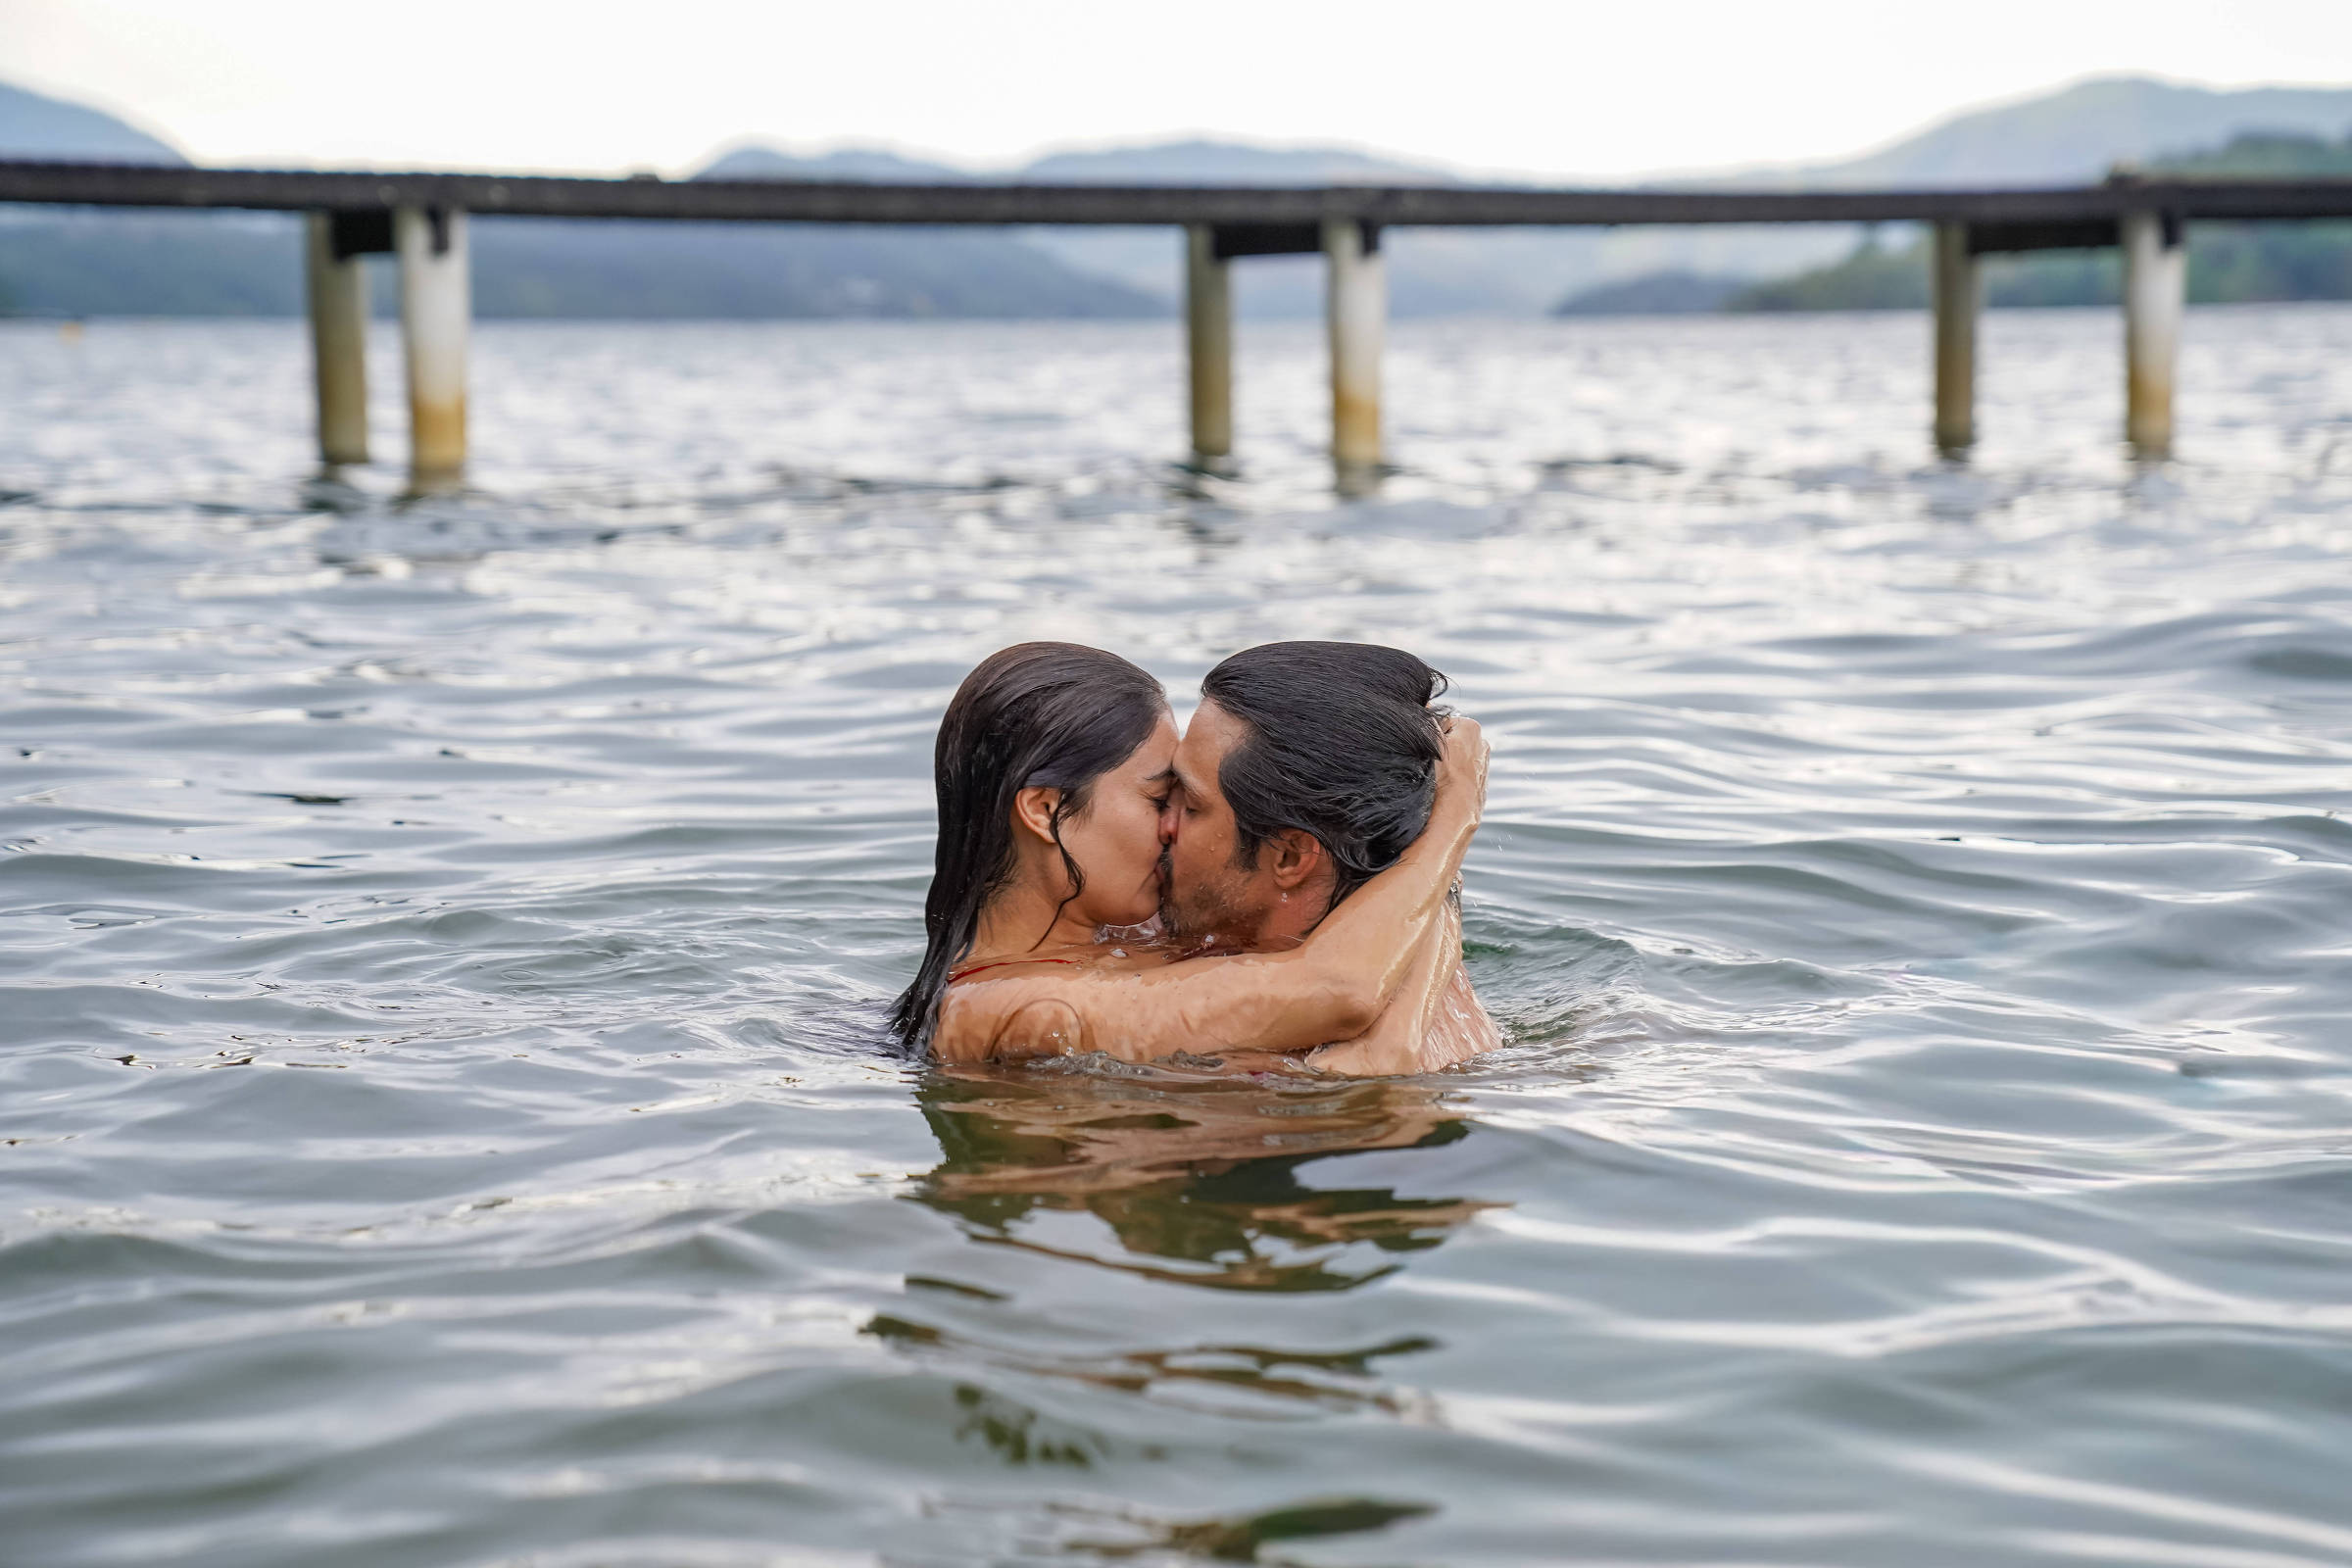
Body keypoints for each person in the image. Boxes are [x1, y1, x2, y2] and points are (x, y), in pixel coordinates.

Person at [891, 641, 1487, 1070]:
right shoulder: (1002, 1009)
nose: (1172, 827)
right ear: (1046, 811)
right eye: (1159, 797)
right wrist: (1453, 818)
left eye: (1185, 800)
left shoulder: (1139, 935)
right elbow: (1341, 994)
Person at [1159, 642, 1500, 1075]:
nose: (1160, 824)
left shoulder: (1264, 1066)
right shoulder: (1427, 976)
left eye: (1189, 805)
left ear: (1289, 857)